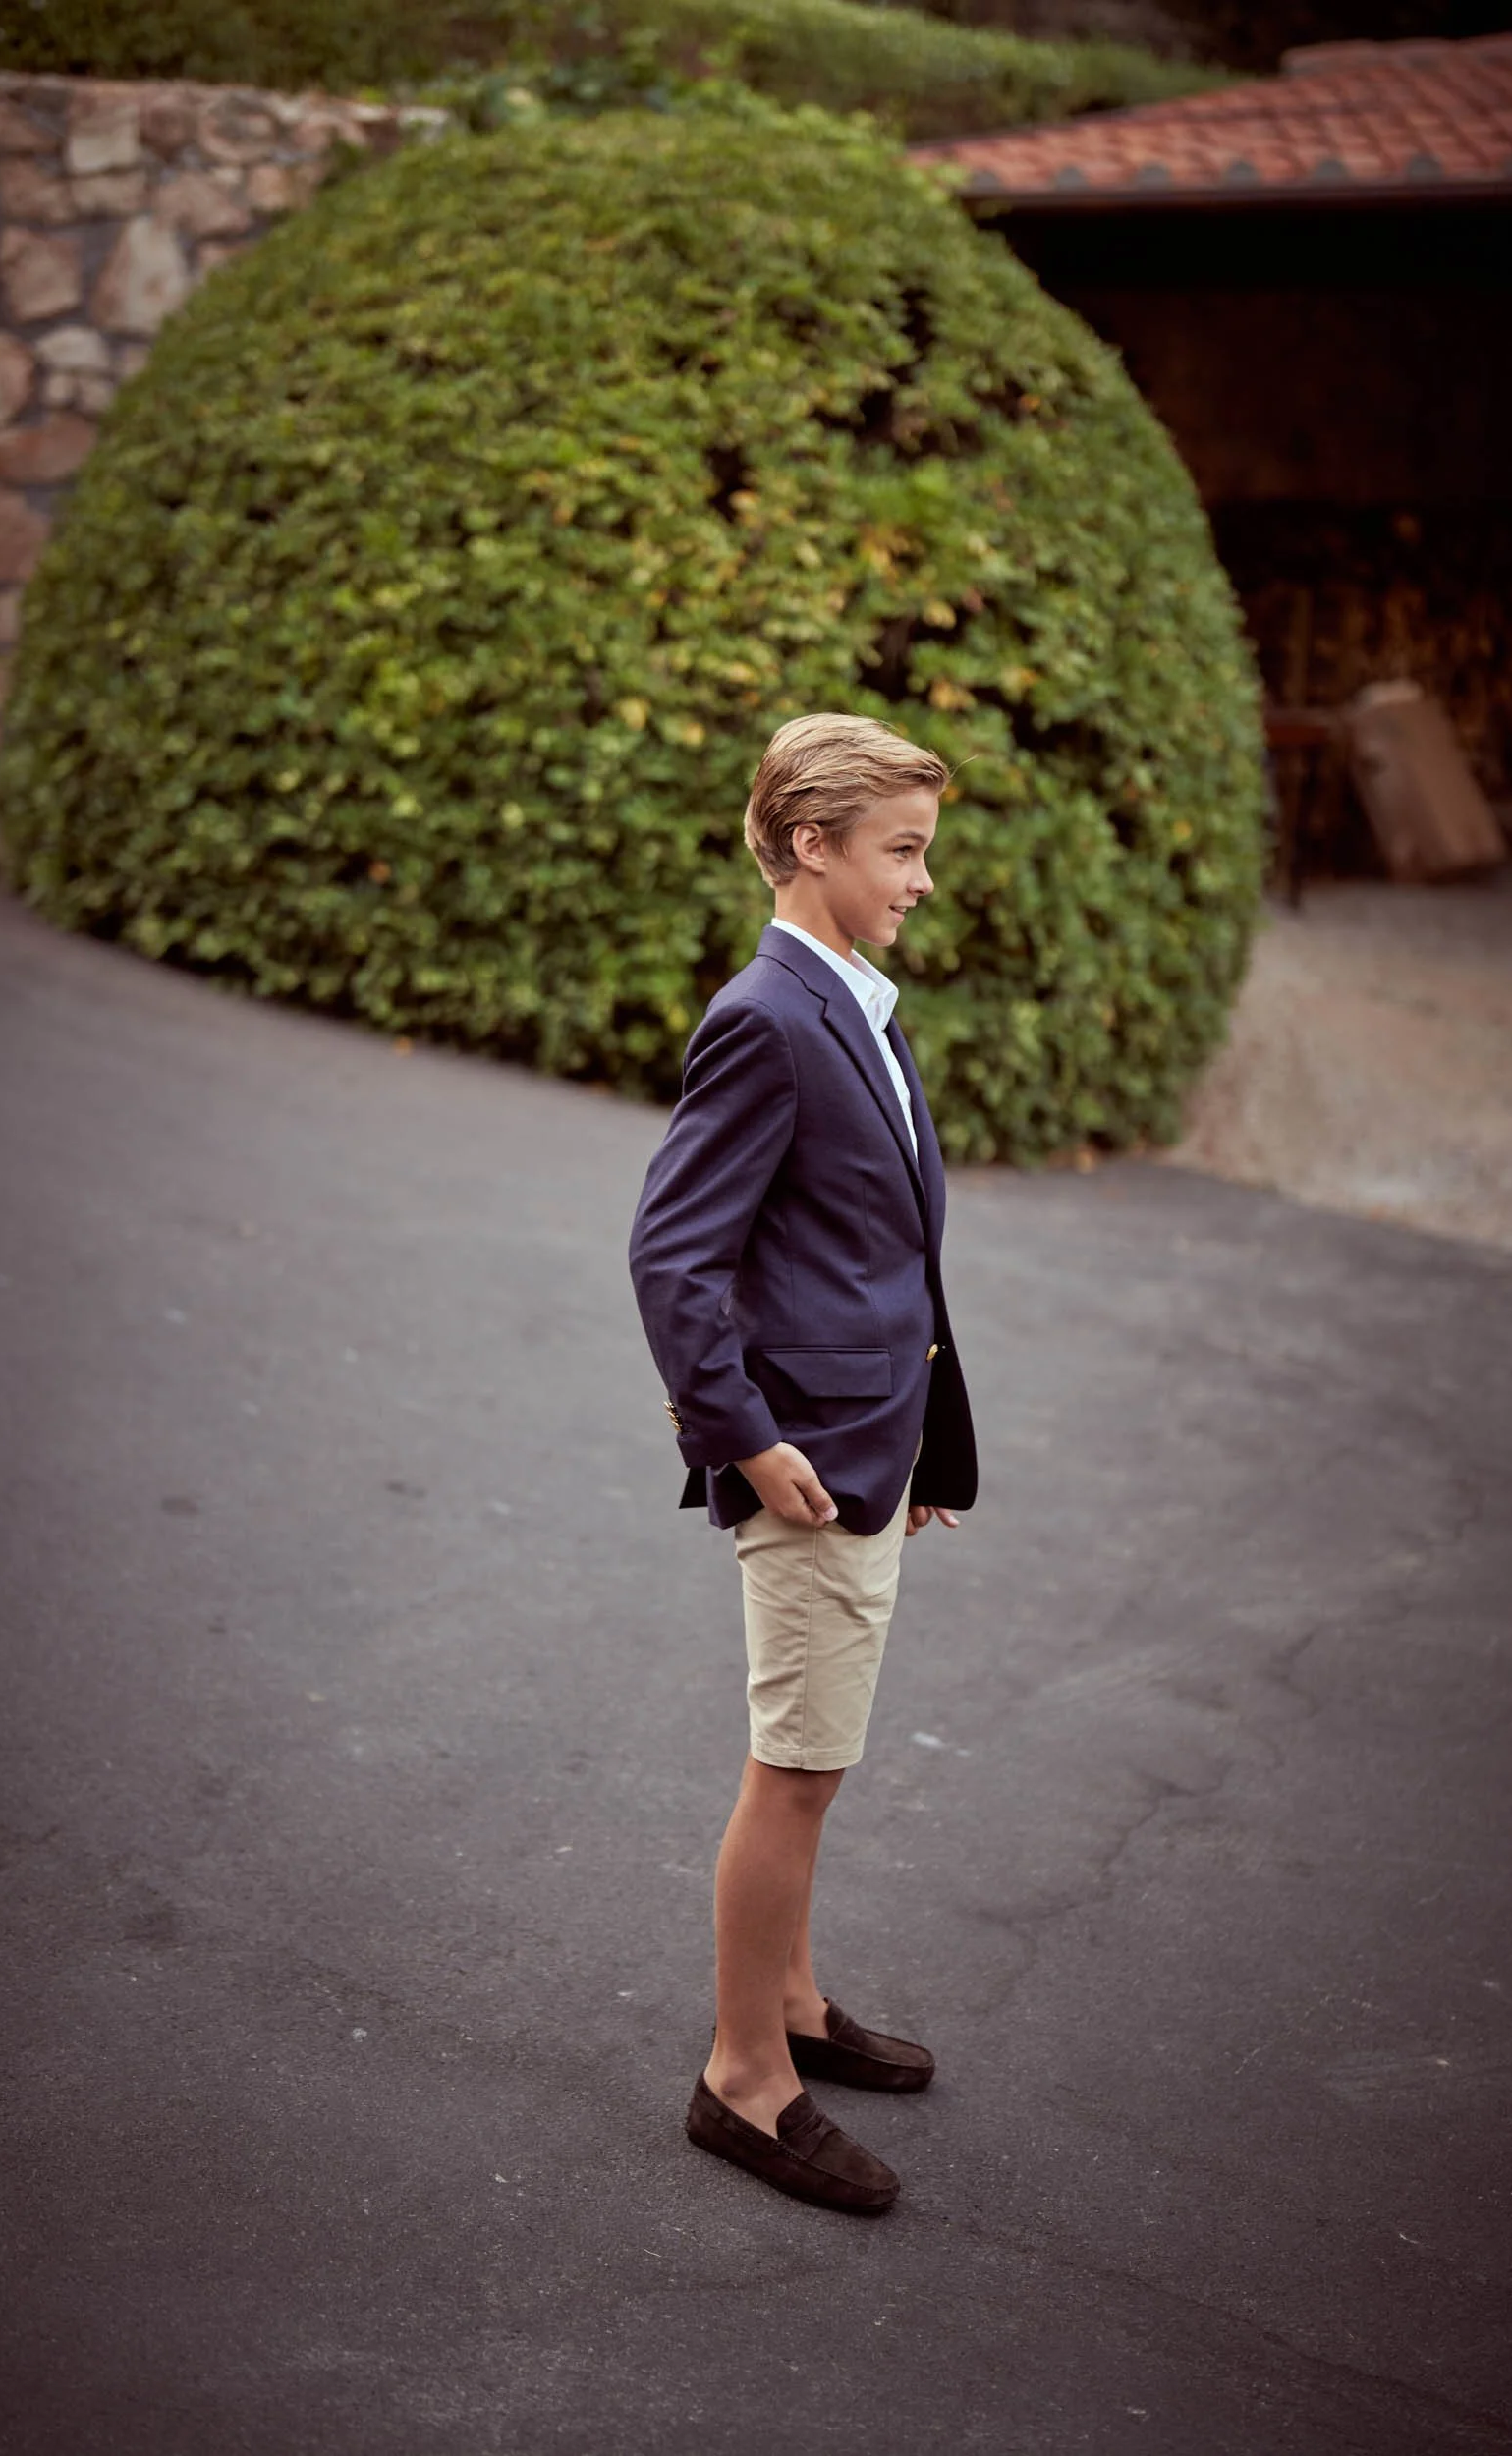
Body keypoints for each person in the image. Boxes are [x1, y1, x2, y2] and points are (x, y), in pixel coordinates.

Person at [628, 711, 978, 2215]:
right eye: (899, 851)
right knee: (795, 1771)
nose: (919, 880)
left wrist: (924, 1434)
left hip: (867, 1443)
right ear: (809, 842)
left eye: (923, 851)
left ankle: (797, 2006)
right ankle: (742, 2078)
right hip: (807, 1465)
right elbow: (671, 1254)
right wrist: (748, 1438)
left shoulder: (856, 998)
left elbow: (865, 1247)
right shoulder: (767, 1015)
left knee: (817, 1771)